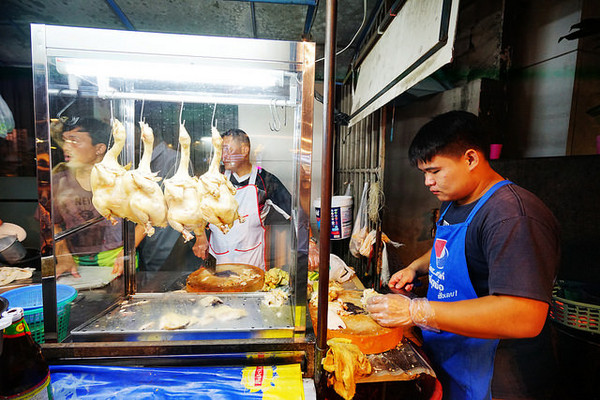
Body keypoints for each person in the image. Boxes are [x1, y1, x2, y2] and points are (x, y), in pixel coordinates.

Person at [366, 111, 560, 400]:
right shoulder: (455, 202)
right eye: (424, 174)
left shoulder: (511, 216)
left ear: (470, 159)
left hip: (498, 376)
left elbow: (525, 316)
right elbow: (448, 248)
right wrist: (415, 268)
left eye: (434, 171)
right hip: (453, 353)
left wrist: (415, 311)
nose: (427, 182)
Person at [53, 118, 144, 277]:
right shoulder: (59, 181)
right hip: (74, 263)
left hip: (117, 259)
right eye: (65, 141)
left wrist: (127, 252)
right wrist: (63, 254)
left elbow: (146, 220)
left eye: (74, 141)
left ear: (99, 148)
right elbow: (52, 222)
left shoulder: (123, 178)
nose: (66, 147)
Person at [192, 128, 293, 270]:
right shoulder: (215, 178)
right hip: (218, 258)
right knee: (214, 288)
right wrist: (200, 236)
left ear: (245, 150)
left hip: (251, 263)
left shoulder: (264, 180)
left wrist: (310, 244)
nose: (223, 156)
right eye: (221, 151)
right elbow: (197, 210)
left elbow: (297, 213)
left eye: (227, 150)